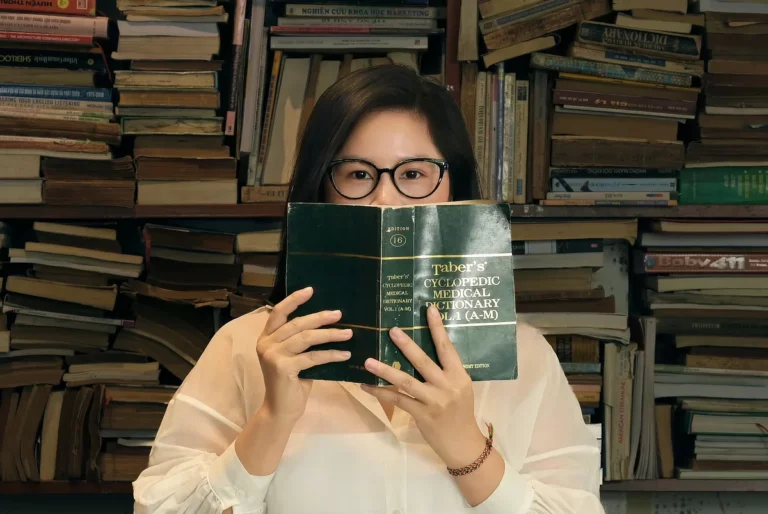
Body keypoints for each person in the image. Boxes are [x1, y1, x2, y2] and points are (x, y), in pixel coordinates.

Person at [132, 64, 603, 514]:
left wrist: (465, 445)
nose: (384, 198)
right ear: (323, 189)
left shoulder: (525, 356)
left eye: (414, 174)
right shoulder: (245, 346)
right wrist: (272, 419)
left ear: (454, 187)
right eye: (358, 174)